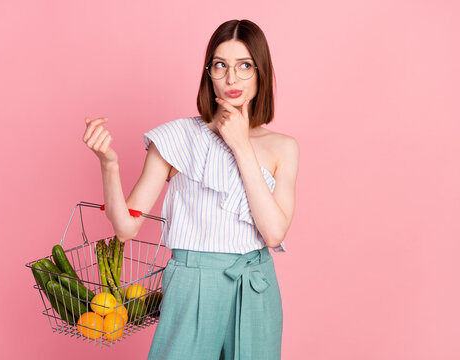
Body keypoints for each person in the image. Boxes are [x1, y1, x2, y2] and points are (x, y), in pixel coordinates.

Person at [82, 19, 299, 360]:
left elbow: (273, 234)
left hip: (256, 285)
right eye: (221, 65)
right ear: (208, 72)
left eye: (244, 66)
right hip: (193, 283)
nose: (231, 78)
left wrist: (241, 145)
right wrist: (109, 164)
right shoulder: (177, 138)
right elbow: (125, 229)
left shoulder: (283, 147)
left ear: (261, 72)